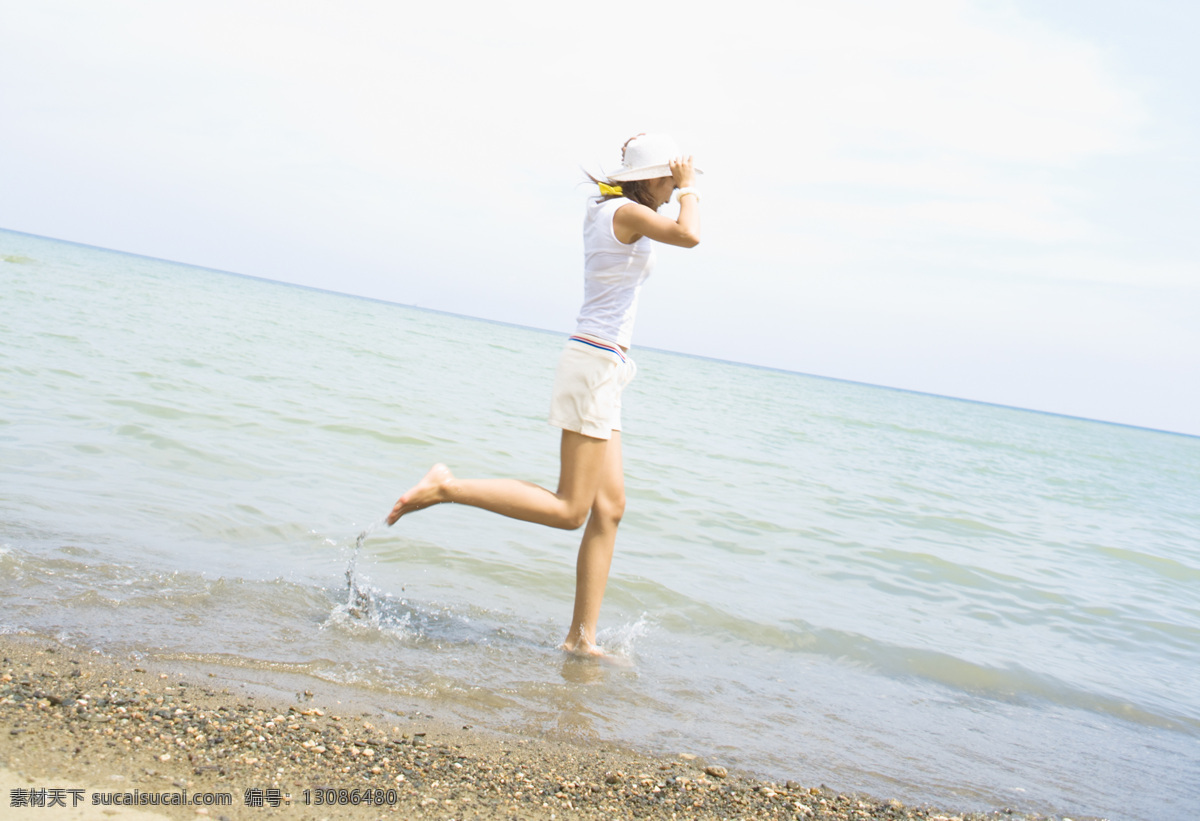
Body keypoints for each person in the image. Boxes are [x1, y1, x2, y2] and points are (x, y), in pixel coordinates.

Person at [387, 133, 702, 656]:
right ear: (651, 179)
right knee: (570, 509)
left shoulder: (613, 208)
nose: (675, 187)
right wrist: (691, 190)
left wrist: (656, 165)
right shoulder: (623, 212)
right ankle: (447, 487)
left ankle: (582, 639)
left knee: (610, 507)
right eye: (670, 179)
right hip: (593, 365)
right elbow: (690, 237)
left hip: (606, 367)